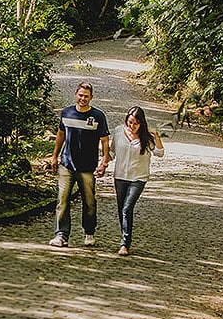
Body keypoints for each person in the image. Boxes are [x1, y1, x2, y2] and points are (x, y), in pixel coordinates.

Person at [49, 81, 110, 247]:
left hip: (87, 167)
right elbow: (60, 135)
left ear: (91, 98)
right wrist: (55, 156)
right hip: (67, 164)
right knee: (62, 200)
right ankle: (61, 235)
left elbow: (104, 140)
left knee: (89, 201)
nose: (83, 98)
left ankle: (89, 232)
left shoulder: (98, 116)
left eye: (86, 96)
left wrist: (104, 161)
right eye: (81, 95)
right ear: (76, 94)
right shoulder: (67, 113)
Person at [108, 106, 164, 255]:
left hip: (138, 178)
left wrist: (156, 136)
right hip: (120, 176)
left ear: (141, 124)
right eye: (130, 123)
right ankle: (124, 236)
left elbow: (159, 153)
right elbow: (112, 152)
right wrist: (103, 163)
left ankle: (125, 243)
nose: (132, 127)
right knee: (122, 210)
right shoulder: (119, 131)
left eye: (135, 124)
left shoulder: (146, 137)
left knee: (127, 208)